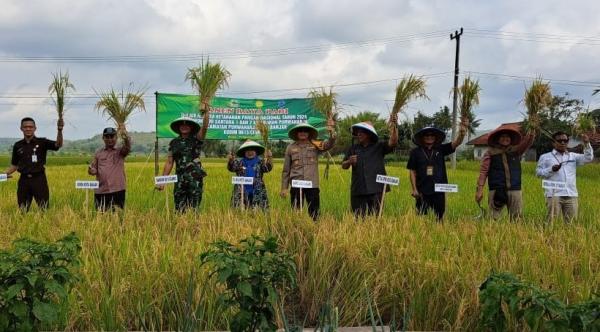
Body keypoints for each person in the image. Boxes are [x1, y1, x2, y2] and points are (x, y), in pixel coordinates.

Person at [407, 121, 467, 221]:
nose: (429, 137)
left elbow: (456, 143)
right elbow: (412, 171)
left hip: (439, 189)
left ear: (435, 137)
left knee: (439, 217)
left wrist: (462, 133)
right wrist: (414, 189)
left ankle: (439, 232)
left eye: (432, 135)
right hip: (422, 190)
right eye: (426, 135)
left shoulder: (440, 149)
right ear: (422, 137)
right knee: (421, 218)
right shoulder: (415, 152)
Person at [341, 115, 398, 218]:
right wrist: (349, 161)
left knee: (376, 218)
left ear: (369, 134)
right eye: (358, 132)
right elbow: (343, 166)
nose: (359, 134)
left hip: (376, 190)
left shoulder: (379, 146)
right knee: (358, 219)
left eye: (362, 132)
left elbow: (393, 142)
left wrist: (394, 126)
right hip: (358, 189)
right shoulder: (353, 148)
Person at [475, 127, 536, 220]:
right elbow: (483, 172)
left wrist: (532, 131)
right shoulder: (490, 153)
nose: (505, 138)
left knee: (517, 218)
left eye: (508, 136)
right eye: (502, 136)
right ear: (497, 139)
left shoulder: (516, 151)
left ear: (511, 139)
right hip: (496, 189)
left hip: (515, 189)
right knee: (494, 218)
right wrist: (479, 190)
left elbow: (527, 143)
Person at [3, 117, 63, 210]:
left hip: (39, 179)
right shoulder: (17, 145)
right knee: (23, 209)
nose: (28, 129)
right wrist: (3, 175)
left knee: (44, 208)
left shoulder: (42, 142)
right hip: (24, 180)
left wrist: (59, 130)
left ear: (35, 128)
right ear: (21, 128)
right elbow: (14, 165)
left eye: (31, 127)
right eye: (25, 127)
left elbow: (58, 144)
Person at [280, 120, 336, 220]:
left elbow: (329, 145)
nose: (302, 132)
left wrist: (331, 132)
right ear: (296, 133)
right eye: (300, 130)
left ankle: (315, 230)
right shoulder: (290, 147)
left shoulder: (315, 144)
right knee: (296, 212)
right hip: (296, 184)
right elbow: (286, 170)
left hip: (312, 184)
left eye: (305, 130)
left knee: (314, 213)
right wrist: (284, 188)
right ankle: (297, 231)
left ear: (309, 133)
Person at [535, 132, 593, 222]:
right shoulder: (545, 157)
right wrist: (551, 169)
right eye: (559, 140)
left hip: (571, 194)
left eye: (565, 140)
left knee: (572, 224)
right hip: (554, 194)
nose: (563, 143)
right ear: (553, 142)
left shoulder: (573, 156)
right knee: (552, 223)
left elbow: (588, 158)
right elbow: (538, 173)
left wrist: (586, 143)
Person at [157, 114, 208, 212]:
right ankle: (181, 226)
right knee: (179, 209)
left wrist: (206, 112)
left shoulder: (197, 139)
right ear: (178, 127)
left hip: (195, 179)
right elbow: (169, 162)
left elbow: (205, 127)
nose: (184, 126)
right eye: (182, 125)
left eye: (187, 124)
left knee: (194, 209)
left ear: (191, 127)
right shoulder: (174, 143)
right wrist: (163, 181)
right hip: (180, 180)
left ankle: (195, 227)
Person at [88, 126, 131, 211]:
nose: (109, 139)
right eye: (107, 137)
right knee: (101, 219)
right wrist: (91, 171)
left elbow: (127, 148)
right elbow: (94, 170)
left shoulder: (120, 151)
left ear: (116, 137)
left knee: (118, 218)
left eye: (112, 136)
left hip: (118, 190)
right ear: (103, 138)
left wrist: (125, 136)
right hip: (101, 191)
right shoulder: (98, 153)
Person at [227, 139, 273, 210]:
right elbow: (231, 168)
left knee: (257, 213)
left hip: (257, 190)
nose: (250, 152)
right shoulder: (239, 162)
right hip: (241, 191)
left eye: (252, 150)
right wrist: (230, 160)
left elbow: (267, 169)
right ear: (244, 152)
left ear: (256, 151)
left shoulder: (260, 162)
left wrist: (269, 158)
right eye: (247, 150)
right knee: (240, 212)